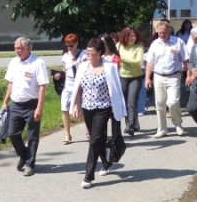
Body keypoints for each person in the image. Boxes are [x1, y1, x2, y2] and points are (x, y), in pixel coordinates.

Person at [71, 38, 126, 189]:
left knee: (94, 139)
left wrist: (117, 109)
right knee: (98, 139)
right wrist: (76, 104)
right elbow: (78, 87)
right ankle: (106, 162)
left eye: (92, 51)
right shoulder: (82, 66)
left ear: (100, 52)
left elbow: (115, 89)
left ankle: (88, 176)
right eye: (87, 51)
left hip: (104, 108)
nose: (88, 53)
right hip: (87, 107)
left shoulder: (109, 67)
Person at [2, 37, 49, 177]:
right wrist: (5, 102)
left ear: (29, 49)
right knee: (12, 133)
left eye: (20, 48)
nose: (17, 51)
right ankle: (24, 154)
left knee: (32, 136)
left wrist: (39, 108)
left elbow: (42, 86)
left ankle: (30, 164)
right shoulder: (13, 62)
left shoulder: (38, 63)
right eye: (16, 48)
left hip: (31, 104)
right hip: (16, 104)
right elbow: (10, 83)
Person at [145, 21, 188, 138]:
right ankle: (162, 129)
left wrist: (188, 74)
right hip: (158, 76)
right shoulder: (155, 44)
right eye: (159, 33)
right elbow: (150, 63)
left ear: (169, 31)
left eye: (164, 32)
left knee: (173, 102)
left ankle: (178, 124)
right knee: (159, 103)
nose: (161, 35)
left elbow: (185, 60)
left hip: (173, 76)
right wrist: (147, 78)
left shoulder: (178, 42)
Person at [55, 34, 85, 145]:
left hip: (80, 86)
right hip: (67, 86)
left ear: (76, 43)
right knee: (64, 109)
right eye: (67, 45)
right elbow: (64, 69)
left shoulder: (83, 55)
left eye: (71, 45)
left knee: (81, 112)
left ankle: (88, 127)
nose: (69, 48)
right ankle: (67, 134)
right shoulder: (65, 56)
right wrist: (59, 74)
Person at [117, 26, 144, 136]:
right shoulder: (119, 46)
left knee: (131, 101)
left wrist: (123, 59)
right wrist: (129, 60)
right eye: (130, 36)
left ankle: (130, 125)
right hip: (122, 77)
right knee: (124, 102)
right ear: (125, 36)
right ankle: (134, 123)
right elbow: (114, 58)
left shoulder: (139, 47)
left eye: (134, 36)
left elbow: (138, 61)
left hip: (136, 77)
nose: (132, 38)